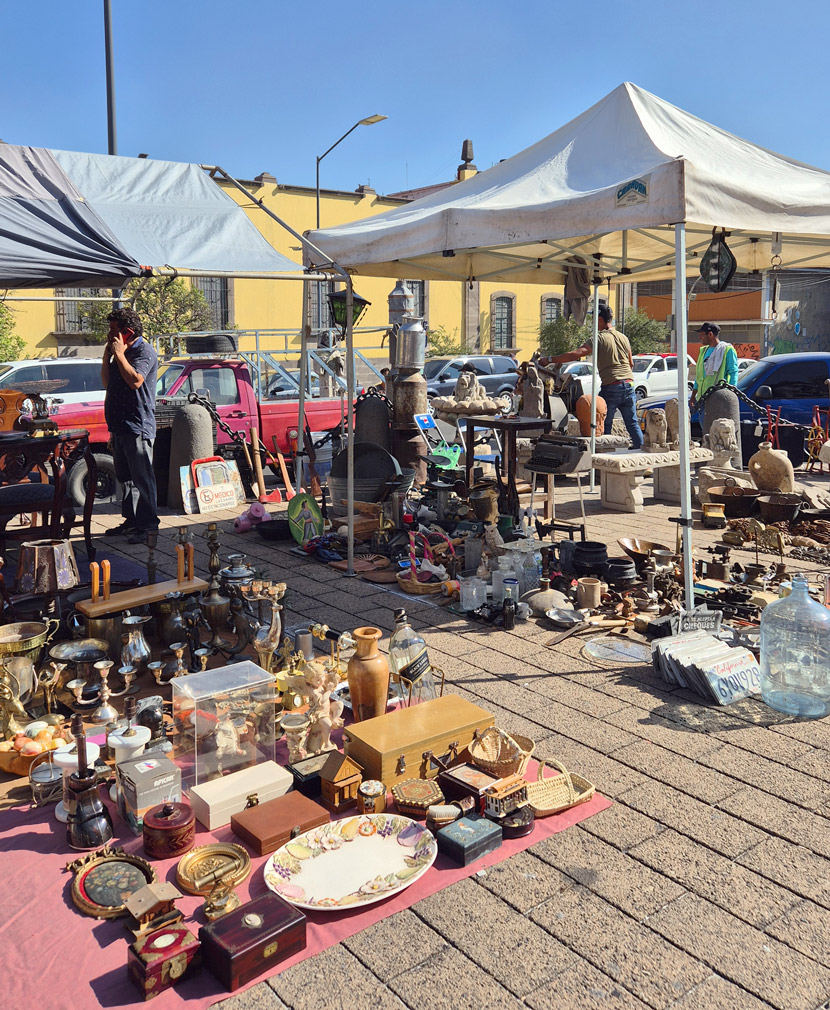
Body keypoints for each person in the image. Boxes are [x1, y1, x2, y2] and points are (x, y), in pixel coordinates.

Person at [539, 304, 643, 449]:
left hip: (611, 385)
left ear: (600, 320)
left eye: (593, 319)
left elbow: (579, 353)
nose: (592, 323)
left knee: (602, 422)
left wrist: (550, 359)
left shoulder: (598, 338)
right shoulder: (623, 337)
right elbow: (630, 363)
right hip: (629, 384)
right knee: (632, 423)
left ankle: (604, 462)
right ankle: (643, 461)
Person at [101, 307, 159, 544]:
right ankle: (132, 521)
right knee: (125, 478)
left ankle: (149, 526)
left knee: (142, 478)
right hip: (120, 425)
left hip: (138, 425)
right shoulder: (118, 352)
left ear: (127, 331)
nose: (109, 334)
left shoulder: (144, 351)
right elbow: (107, 382)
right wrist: (108, 356)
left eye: (114, 329)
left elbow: (136, 381)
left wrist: (121, 356)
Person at [690, 323, 738, 408]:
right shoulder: (703, 351)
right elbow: (699, 377)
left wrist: (730, 396)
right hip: (702, 400)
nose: (699, 337)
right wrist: (693, 396)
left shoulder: (727, 350)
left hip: (718, 400)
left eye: (701, 335)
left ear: (710, 334)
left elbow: (733, 372)